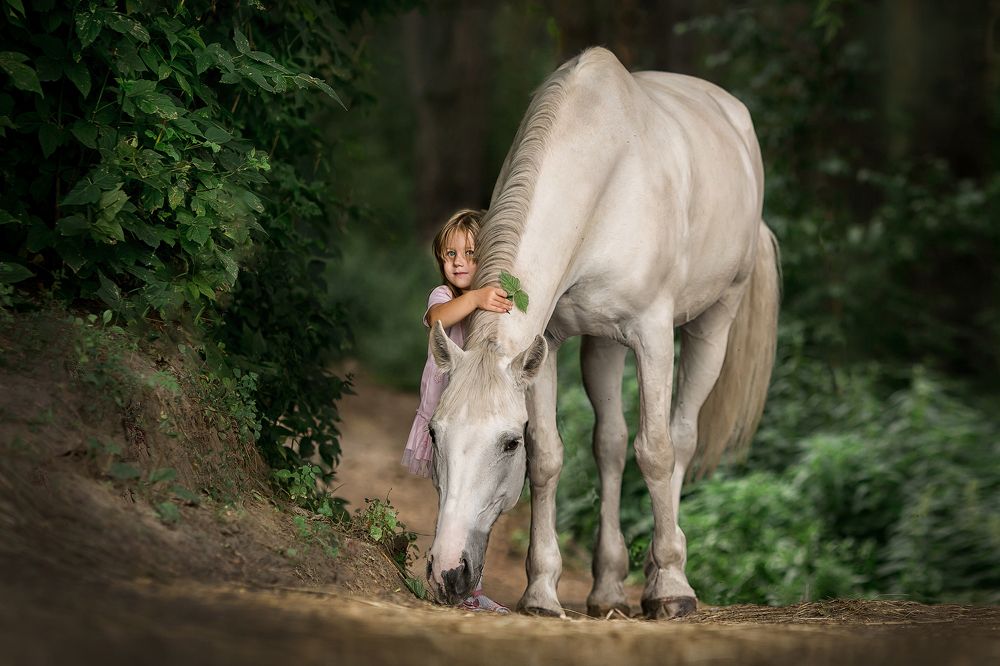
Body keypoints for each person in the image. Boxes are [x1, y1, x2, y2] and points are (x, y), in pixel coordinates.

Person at [401, 208, 512, 614]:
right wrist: (477, 298)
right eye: (450, 255)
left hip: (473, 428)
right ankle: (448, 574)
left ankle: (469, 584)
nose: (459, 262)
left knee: (470, 500)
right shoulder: (445, 297)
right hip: (445, 425)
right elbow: (437, 321)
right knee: (452, 501)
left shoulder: (487, 299)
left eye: (470, 253)